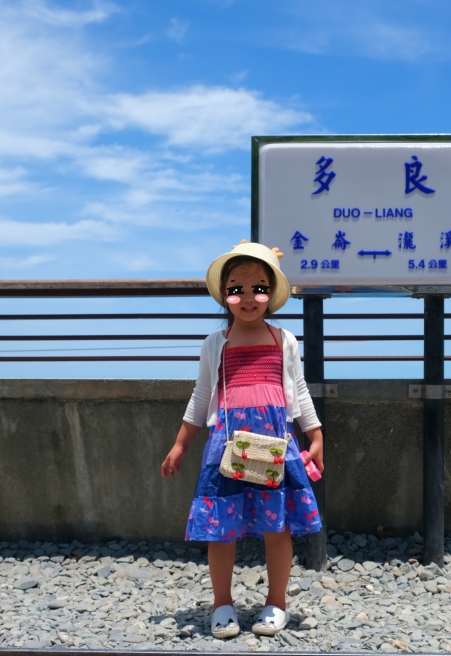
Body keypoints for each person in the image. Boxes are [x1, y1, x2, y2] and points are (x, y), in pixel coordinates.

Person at [161, 240, 325, 639]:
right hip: (226, 447)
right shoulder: (215, 344)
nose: (248, 298)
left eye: (259, 288)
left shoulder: (284, 340)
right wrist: (181, 443)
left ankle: (277, 602)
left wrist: (316, 435)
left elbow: (299, 392)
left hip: (275, 446)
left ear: (272, 294)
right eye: (237, 289)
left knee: (278, 527)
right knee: (221, 528)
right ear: (224, 295)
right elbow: (202, 397)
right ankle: (222, 603)